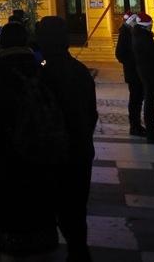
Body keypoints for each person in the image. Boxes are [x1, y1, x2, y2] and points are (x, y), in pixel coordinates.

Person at [0, 20, 60, 258]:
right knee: (40, 201)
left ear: (1, 43)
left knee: (13, 205)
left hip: (10, 154)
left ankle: (12, 245)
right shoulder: (43, 72)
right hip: (44, 153)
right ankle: (44, 242)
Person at [36, 16, 98, 262]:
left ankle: (77, 253)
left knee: (64, 209)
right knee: (76, 209)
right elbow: (91, 114)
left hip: (61, 154)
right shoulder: (79, 71)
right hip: (81, 150)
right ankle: (78, 250)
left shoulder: (46, 75)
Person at [132, 12, 154, 144]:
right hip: (150, 75)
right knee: (150, 103)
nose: (153, 26)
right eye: (151, 25)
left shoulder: (139, 36)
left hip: (147, 74)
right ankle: (151, 132)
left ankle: (151, 130)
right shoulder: (143, 38)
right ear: (146, 26)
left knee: (150, 102)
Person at [115, 10, 145, 136]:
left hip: (136, 71)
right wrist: (130, 62)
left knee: (138, 99)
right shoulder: (125, 33)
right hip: (133, 72)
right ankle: (134, 126)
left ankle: (137, 124)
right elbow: (120, 54)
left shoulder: (130, 32)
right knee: (135, 99)